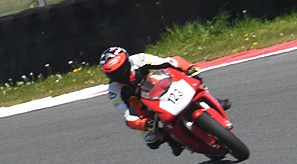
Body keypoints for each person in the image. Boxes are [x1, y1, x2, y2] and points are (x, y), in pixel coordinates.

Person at [99, 46, 231, 157]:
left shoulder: (140, 59)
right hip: (144, 108)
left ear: (128, 61)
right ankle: (172, 139)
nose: (120, 75)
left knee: (193, 76)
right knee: (152, 140)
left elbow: (170, 62)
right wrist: (144, 124)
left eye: (122, 69)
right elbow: (128, 116)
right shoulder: (114, 91)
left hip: (158, 86)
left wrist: (188, 68)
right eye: (114, 74)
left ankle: (212, 100)